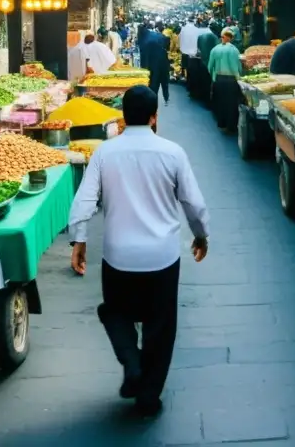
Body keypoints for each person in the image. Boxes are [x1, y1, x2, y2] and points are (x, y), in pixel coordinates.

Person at [68, 86, 210, 417]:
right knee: (160, 327)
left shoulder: (105, 153)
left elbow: (84, 200)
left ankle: (131, 361)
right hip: (162, 258)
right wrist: (201, 235)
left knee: (116, 311)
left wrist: (80, 239)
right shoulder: (172, 153)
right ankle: (148, 394)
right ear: (154, 117)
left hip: (118, 257)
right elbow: (194, 203)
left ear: (122, 117)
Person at [208, 29, 243, 131]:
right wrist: (239, 78)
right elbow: (235, 67)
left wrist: (214, 77)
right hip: (231, 80)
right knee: (231, 104)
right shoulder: (233, 50)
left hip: (218, 79)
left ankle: (222, 123)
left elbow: (210, 66)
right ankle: (230, 126)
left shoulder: (215, 49)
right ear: (231, 38)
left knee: (220, 102)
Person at [141, 22, 170, 105]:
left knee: (154, 83)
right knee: (164, 81)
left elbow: (144, 55)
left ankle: (153, 99)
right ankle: (166, 97)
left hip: (153, 64)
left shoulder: (146, 38)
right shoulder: (162, 37)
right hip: (163, 62)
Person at [195, 22, 221, 103]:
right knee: (210, 83)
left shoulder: (200, 37)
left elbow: (198, 50)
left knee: (203, 81)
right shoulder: (215, 37)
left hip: (202, 62)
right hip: (211, 64)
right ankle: (209, 101)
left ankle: (203, 98)